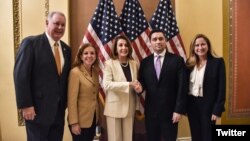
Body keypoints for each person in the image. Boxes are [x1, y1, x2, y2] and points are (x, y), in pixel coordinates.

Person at [13, 11, 71, 141]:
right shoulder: (31, 44)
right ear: (46, 23)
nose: (60, 28)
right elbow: (20, 76)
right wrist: (26, 105)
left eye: (63, 25)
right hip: (36, 112)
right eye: (56, 23)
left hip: (58, 112)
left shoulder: (67, 50)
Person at [138, 29, 188, 141]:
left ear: (165, 41)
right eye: (154, 39)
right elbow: (142, 83)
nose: (158, 41)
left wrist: (178, 110)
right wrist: (139, 88)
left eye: (161, 38)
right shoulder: (144, 63)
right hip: (151, 113)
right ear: (150, 42)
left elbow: (182, 87)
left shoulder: (177, 60)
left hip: (171, 113)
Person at [186, 34, 226, 141]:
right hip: (192, 104)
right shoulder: (189, 63)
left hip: (208, 105)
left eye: (203, 44)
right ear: (193, 48)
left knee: (208, 136)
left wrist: (217, 109)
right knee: (196, 135)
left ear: (208, 45)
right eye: (197, 45)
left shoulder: (218, 62)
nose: (200, 48)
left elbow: (221, 88)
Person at [103, 35, 142, 141]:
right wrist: (128, 84)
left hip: (130, 107)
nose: (123, 48)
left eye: (126, 45)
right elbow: (106, 84)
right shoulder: (109, 63)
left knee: (128, 138)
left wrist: (138, 88)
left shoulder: (134, 64)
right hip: (114, 108)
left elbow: (135, 84)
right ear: (115, 48)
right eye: (120, 45)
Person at [67, 43, 100, 141]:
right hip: (79, 121)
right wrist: (74, 123)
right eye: (86, 53)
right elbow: (71, 100)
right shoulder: (75, 72)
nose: (89, 56)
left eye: (92, 53)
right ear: (81, 56)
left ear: (95, 56)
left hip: (92, 119)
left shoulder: (95, 72)